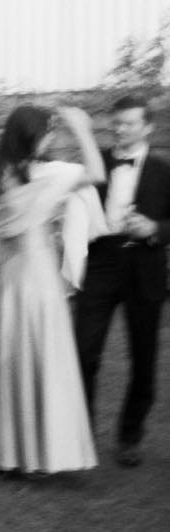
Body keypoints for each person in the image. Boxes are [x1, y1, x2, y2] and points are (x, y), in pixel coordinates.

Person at [0, 104, 102, 477]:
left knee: (10, 359)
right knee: (42, 355)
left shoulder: (0, 173)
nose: (52, 138)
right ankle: (41, 454)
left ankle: (9, 452)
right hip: (38, 275)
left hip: (10, 277)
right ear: (32, 135)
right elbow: (96, 173)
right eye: (48, 132)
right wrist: (83, 130)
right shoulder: (48, 174)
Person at [73, 94, 170, 468]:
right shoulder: (95, 163)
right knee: (82, 352)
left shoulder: (164, 170)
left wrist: (155, 228)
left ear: (147, 127)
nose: (120, 128)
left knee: (144, 358)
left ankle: (130, 436)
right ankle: (80, 437)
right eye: (117, 122)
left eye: (129, 122)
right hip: (99, 263)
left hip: (144, 265)